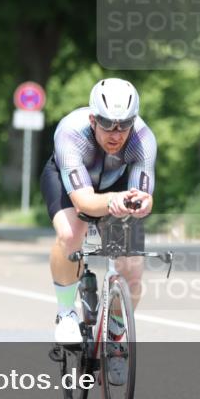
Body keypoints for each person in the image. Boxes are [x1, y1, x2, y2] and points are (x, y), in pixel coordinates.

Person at [40, 78, 156, 382]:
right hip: (71, 185)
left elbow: (144, 194)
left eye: (124, 125)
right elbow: (84, 202)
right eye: (107, 124)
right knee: (71, 233)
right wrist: (112, 201)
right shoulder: (70, 132)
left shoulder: (143, 139)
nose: (116, 134)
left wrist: (143, 202)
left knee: (132, 267)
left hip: (117, 184)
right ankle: (66, 312)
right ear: (93, 119)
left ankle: (115, 341)